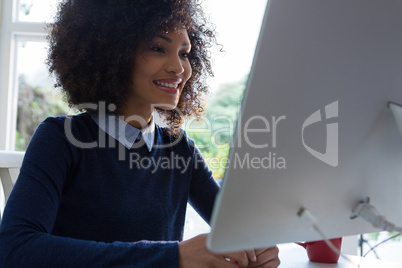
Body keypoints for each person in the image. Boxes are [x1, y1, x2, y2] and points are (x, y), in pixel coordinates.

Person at [0, 0, 280, 267]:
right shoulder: (61, 139)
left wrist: (256, 248)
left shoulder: (180, 149)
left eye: (184, 53)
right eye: (158, 48)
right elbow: (15, 249)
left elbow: (238, 231)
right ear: (113, 52)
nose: (179, 68)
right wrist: (173, 258)